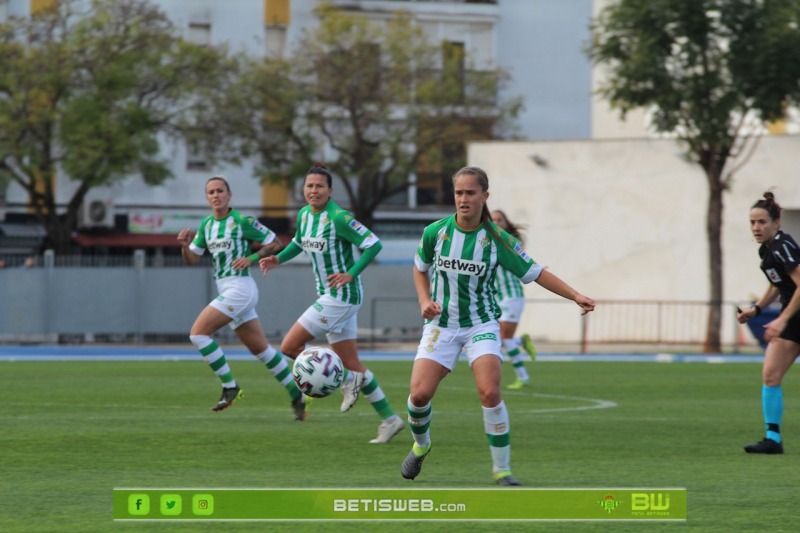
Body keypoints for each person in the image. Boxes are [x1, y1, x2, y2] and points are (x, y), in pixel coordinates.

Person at [402, 166, 595, 486]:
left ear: (484, 196)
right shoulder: (435, 232)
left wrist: (575, 295)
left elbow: (536, 272)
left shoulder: (497, 240)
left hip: (482, 324)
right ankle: (421, 445)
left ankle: (502, 470)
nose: (463, 199)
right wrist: (424, 300)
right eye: (459, 193)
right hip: (442, 325)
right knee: (419, 396)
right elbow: (419, 269)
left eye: (470, 193)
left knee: (489, 392)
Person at [258, 162, 405, 444]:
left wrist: (351, 273)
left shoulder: (339, 217)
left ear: (330, 190)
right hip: (330, 297)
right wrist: (278, 258)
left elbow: (373, 244)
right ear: (304, 189)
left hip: (342, 296)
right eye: (309, 186)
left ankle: (345, 379)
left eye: (319, 186)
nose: (314, 191)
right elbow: (299, 243)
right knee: (354, 365)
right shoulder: (304, 215)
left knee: (289, 346)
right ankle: (390, 419)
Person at [177, 175, 307, 420]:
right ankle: (296, 393)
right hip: (227, 290)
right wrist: (185, 246)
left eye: (220, 191)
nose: (216, 195)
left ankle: (230, 386)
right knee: (262, 350)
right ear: (207, 198)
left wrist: (253, 258)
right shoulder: (206, 225)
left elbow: (275, 242)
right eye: (211, 192)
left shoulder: (242, 221)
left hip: (241, 288)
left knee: (198, 334)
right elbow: (192, 259)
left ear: (229, 195)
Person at [737, 191, 800, 455]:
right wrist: (757, 309)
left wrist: (782, 319)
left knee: (770, 374)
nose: (756, 227)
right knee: (770, 375)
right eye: (752, 222)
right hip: (792, 315)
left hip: (793, 314)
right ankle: (772, 439)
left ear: (776, 223)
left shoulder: (783, 246)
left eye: (762, 222)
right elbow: (777, 283)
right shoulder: (767, 249)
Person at [491, 209, 537, 389]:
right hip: (498, 298)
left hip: (512, 296)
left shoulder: (510, 242)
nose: (496, 223)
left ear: (505, 223)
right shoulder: (486, 243)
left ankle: (523, 377)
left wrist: (538, 269)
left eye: (499, 220)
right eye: (492, 220)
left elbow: (525, 261)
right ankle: (521, 342)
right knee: (499, 338)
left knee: (503, 337)